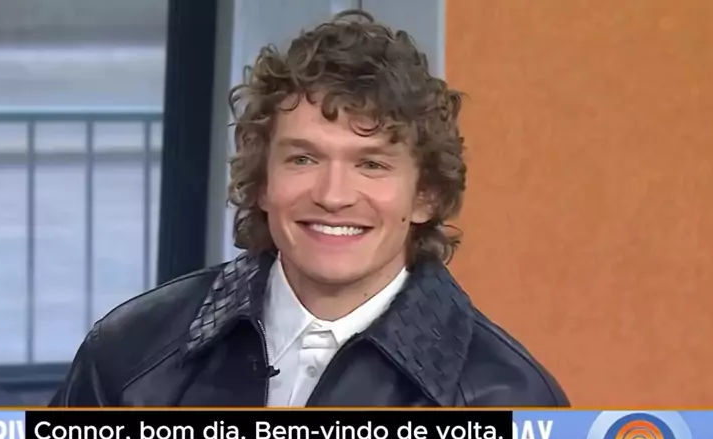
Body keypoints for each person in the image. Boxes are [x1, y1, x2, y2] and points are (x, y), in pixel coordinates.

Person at [50, 10, 569, 407]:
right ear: (261, 182)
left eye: (371, 164)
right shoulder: (129, 354)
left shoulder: (507, 399)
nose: (333, 194)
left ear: (425, 196)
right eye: (303, 158)